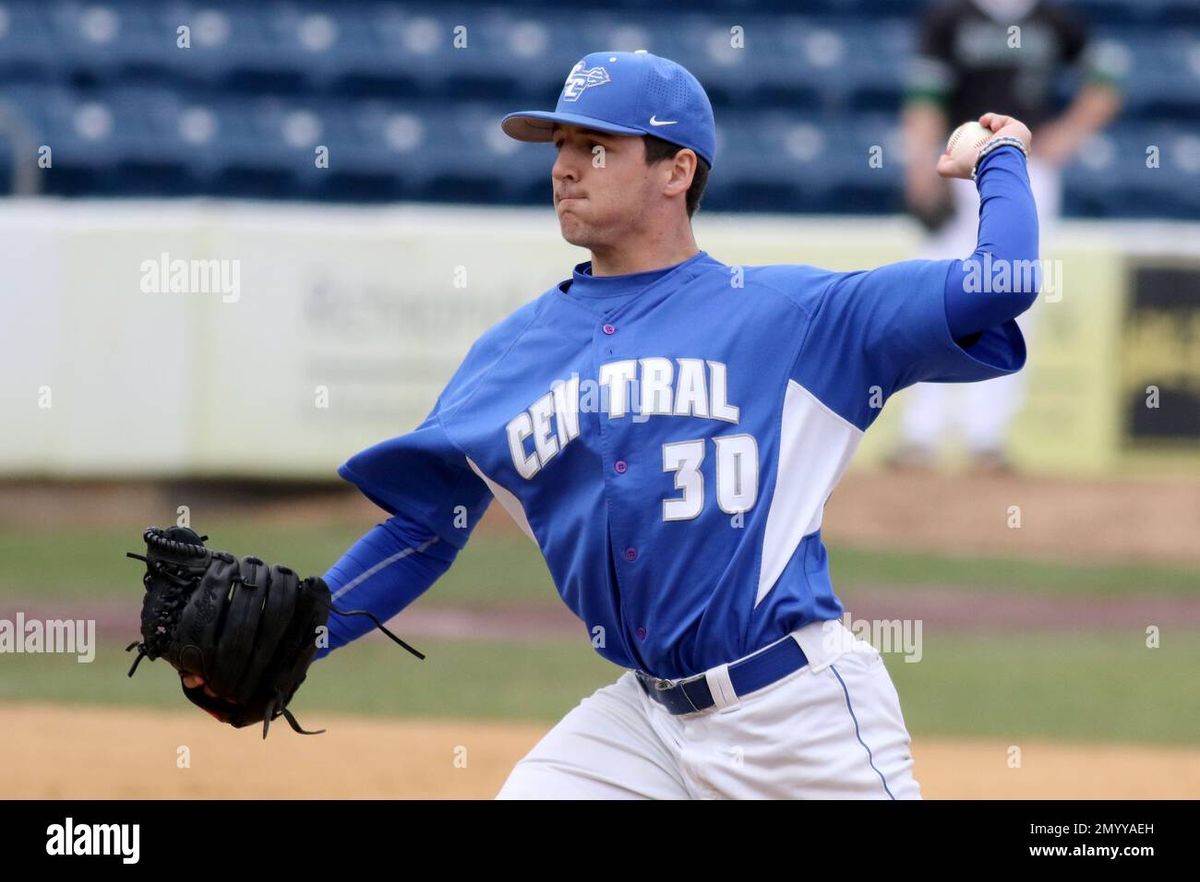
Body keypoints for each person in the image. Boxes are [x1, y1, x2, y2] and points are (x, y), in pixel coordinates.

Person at [189, 50, 1039, 798]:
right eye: (557, 146)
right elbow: (428, 522)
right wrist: (309, 632)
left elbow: (1001, 281)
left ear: (677, 171)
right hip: (646, 724)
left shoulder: (796, 316)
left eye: (596, 146)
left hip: (798, 720)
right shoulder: (511, 355)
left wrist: (998, 157)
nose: (565, 167)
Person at [897, 0, 1121, 471]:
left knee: (1012, 293)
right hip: (956, 163)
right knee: (936, 293)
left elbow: (1107, 83)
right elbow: (925, 97)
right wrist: (919, 162)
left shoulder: (1056, 20)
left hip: (1025, 164)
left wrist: (1067, 134)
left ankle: (986, 437)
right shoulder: (950, 18)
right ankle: (921, 434)